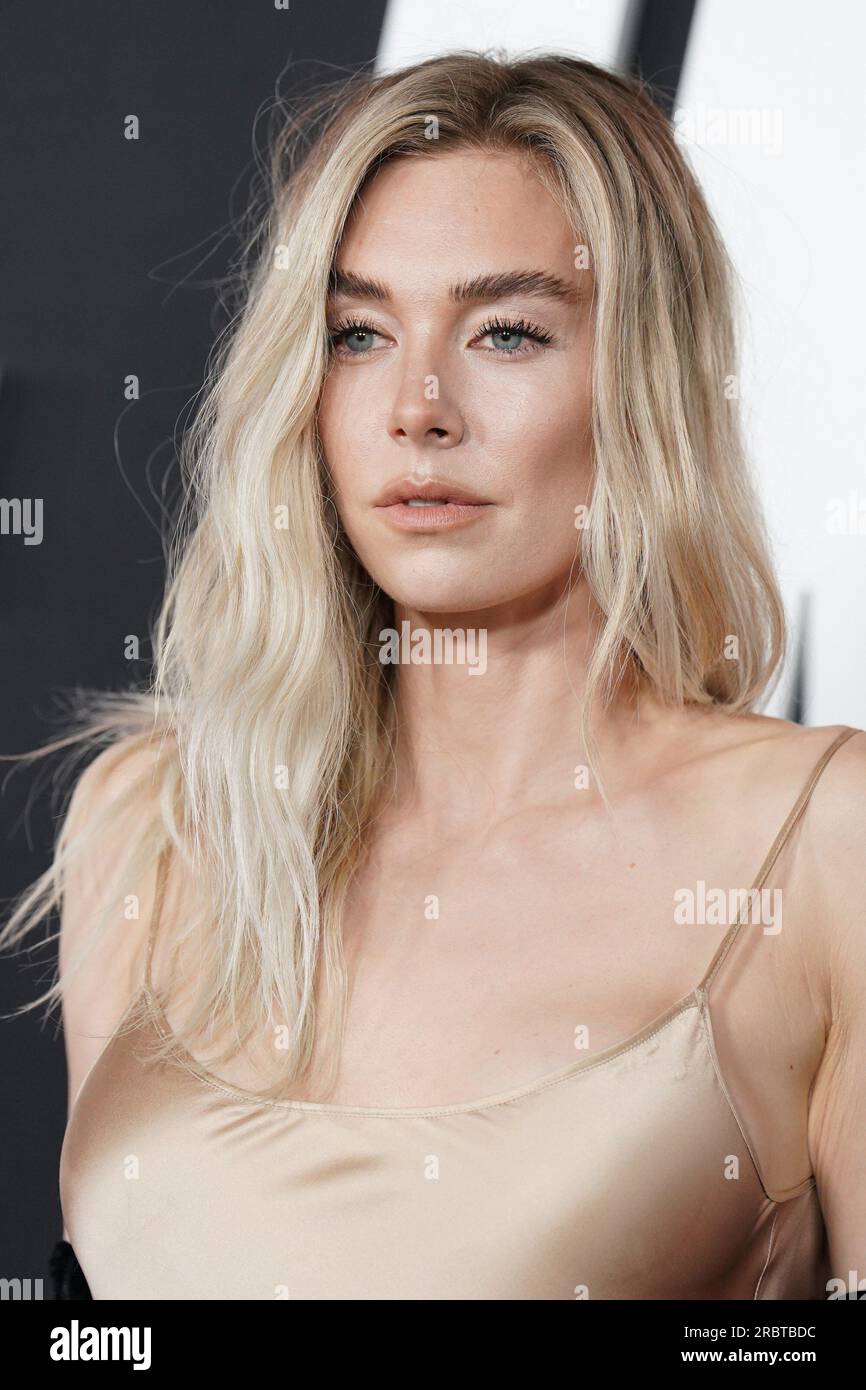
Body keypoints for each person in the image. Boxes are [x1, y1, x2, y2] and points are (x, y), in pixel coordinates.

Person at [2, 51, 864, 1301]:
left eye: (504, 332)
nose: (418, 406)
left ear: (641, 376)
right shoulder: (156, 821)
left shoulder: (821, 838)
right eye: (359, 333)